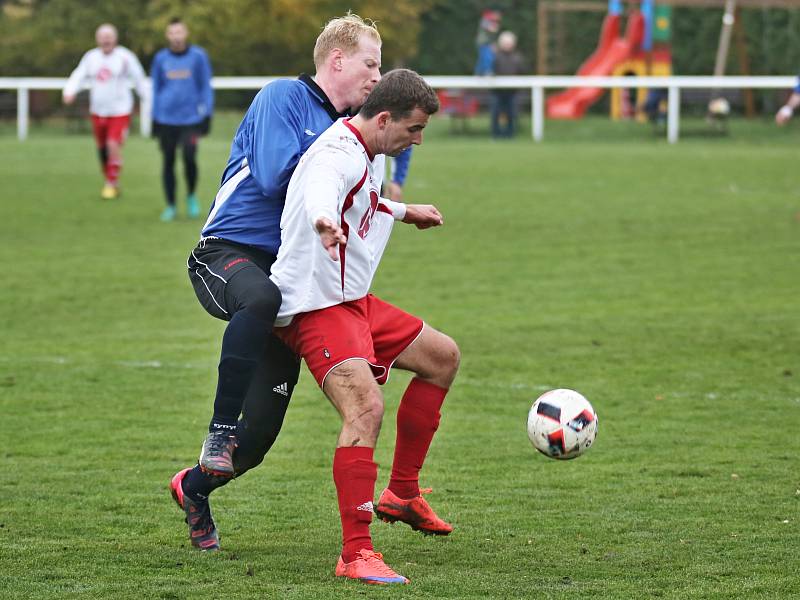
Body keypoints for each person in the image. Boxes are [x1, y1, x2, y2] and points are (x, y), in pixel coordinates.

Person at [170, 14, 382, 552]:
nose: (376, 76)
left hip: (287, 278)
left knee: (260, 437)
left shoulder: (349, 130)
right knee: (260, 297)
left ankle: (193, 489)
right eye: (369, 64)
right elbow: (273, 176)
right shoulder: (283, 97)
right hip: (227, 254)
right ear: (337, 60)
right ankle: (217, 429)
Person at [270, 68, 459, 585]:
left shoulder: (368, 150)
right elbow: (323, 190)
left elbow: (364, 198)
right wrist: (324, 221)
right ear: (383, 118)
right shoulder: (336, 154)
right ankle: (356, 553)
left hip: (353, 299)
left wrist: (404, 210)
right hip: (316, 305)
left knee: (442, 358)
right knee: (365, 409)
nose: (417, 140)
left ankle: (402, 493)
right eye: (414, 130)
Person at [63, 23, 148, 200]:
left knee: (112, 144)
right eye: (102, 36)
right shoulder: (91, 57)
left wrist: (147, 98)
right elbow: (78, 74)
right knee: (102, 150)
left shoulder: (125, 57)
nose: (106, 40)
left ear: (115, 38)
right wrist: (69, 91)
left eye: (109, 36)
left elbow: (139, 78)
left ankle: (110, 183)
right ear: (97, 39)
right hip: (98, 111)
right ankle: (112, 181)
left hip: (120, 110)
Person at [150, 17, 214, 222]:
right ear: (167, 36)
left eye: (179, 32)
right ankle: (170, 205)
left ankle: (191, 196)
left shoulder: (198, 57)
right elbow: (156, 89)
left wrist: (207, 114)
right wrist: (154, 117)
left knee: (189, 158)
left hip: (191, 120)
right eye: (172, 33)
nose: (176, 36)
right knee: (168, 161)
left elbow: (205, 85)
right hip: (166, 120)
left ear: (185, 33)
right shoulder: (160, 59)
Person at [490, 31, 526, 138]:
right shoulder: (494, 56)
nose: (507, 45)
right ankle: (496, 134)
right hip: (497, 91)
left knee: (512, 113)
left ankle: (510, 134)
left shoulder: (518, 57)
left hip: (512, 91)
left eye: (509, 43)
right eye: (505, 43)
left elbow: (523, 71)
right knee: (495, 113)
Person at [474, 9, 501, 76]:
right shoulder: (486, 19)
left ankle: (478, 72)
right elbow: (490, 29)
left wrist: (494, 44)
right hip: (483, 43)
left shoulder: (493, 21)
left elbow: (493, 35)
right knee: (487, 57)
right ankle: (487, 71)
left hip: (487, 43)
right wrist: (493, 27)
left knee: (483, 58)